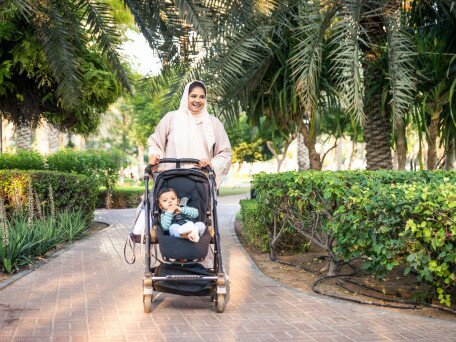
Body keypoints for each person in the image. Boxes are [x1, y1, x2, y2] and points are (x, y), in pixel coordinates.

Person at [147, 80, 232, 186]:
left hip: (201, 183)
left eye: (202, 97)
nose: (198, 100)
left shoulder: (213, 123)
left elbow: (225, 153)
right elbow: (155, 142)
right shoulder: (171, 118)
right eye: (193, 96)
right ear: (186, 97)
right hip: (171, 182)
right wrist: (155, 156)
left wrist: (212, 163)